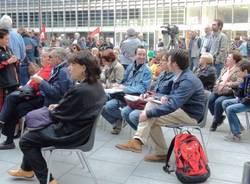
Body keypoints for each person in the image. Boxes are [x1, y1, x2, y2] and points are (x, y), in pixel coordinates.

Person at [7, 50, 106, 184]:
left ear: (83, 68)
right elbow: (71, 109)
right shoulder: (96, 86)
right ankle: (26, 169)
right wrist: (58, 107)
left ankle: (47, 180)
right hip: (80, 130)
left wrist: (55, 109)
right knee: (31, 132)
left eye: (72, 65)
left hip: (71, 133)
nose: (69, 68)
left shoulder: (81, 90)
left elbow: (60, 115)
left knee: (26, 140)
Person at [116, 49, 205, 162]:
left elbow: (173, 105)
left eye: (167, 61)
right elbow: (176, 97)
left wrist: (148, 113)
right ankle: (144, 144)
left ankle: (147, 146)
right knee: (151, 106)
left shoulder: (187, 80)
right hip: (182, 109)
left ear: (174, 64)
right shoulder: (181, 75)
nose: (165, 63)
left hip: (190, 116)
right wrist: (167, 97)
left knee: (150, 117)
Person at [0, 48, 73, 149]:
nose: (46, 59)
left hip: (47, 103)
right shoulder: (57, 68)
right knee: (13, 104)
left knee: (14, 105)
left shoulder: (62, 71)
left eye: (49, 57)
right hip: (43, 99)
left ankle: (8, 135)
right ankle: (9, 137)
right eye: (44, 56)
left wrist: (41, 82)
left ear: (58, 58)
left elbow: (55, 93)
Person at [102, 46, 152, 134]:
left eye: (144, 54)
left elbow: (142, 88)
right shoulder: (130, 66)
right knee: (104, 106)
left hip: (135, 99)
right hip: (123, 96)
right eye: (139, 54)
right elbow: (124, 80)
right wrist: (118, 85)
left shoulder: (147, 71)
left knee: (112, 107)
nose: (142, 56)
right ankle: (118, 120)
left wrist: (125, 88)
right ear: (135, 55)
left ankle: (122, 119)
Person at [121, 51, 175, 130]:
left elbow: (172, 97)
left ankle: (144, 137)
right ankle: (143, 136)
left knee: (134, 115)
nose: (160, 62)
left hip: (159, 106)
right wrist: (147, 93)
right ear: (135, 56)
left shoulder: (174, 77)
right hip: (149, 101)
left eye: (163, 60)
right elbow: (153, 89)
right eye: (161, 60)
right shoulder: (162, 74)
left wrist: (154, 97)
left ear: (169, 62)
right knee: (125, 112)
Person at [209, 51, 243, 131]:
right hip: (219, 90)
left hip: (230, 92)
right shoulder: (225, 68)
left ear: (234, 60)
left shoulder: (238, 70)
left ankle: (215, 122)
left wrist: (229, 84)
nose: (227, 58)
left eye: (229, 57)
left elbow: (240, 82)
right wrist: (217, 83)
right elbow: (219, 78)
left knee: (218, 102)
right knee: (209, 99)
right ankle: (219, 117)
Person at [222, 61, 250, 142]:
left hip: (248, 102)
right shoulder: (245, 78)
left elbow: (248, 98)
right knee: (225, 103)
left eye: (238, 71)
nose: (237, 74)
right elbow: (240, 93)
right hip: (245, 100)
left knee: (230, 109)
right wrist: (235, 88)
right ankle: (238, 126)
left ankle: (236, 134)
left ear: (245, 71)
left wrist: (240, 99)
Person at [0, 28, 19, 109]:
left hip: (12, 82)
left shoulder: (8, 49)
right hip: (3, 84)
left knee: (13, 104)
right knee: (3, 105)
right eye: (6, 39)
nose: (8, 40)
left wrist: (15, 61)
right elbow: (6, 63)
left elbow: (13, 64)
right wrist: (7, 62)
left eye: (9, 38)